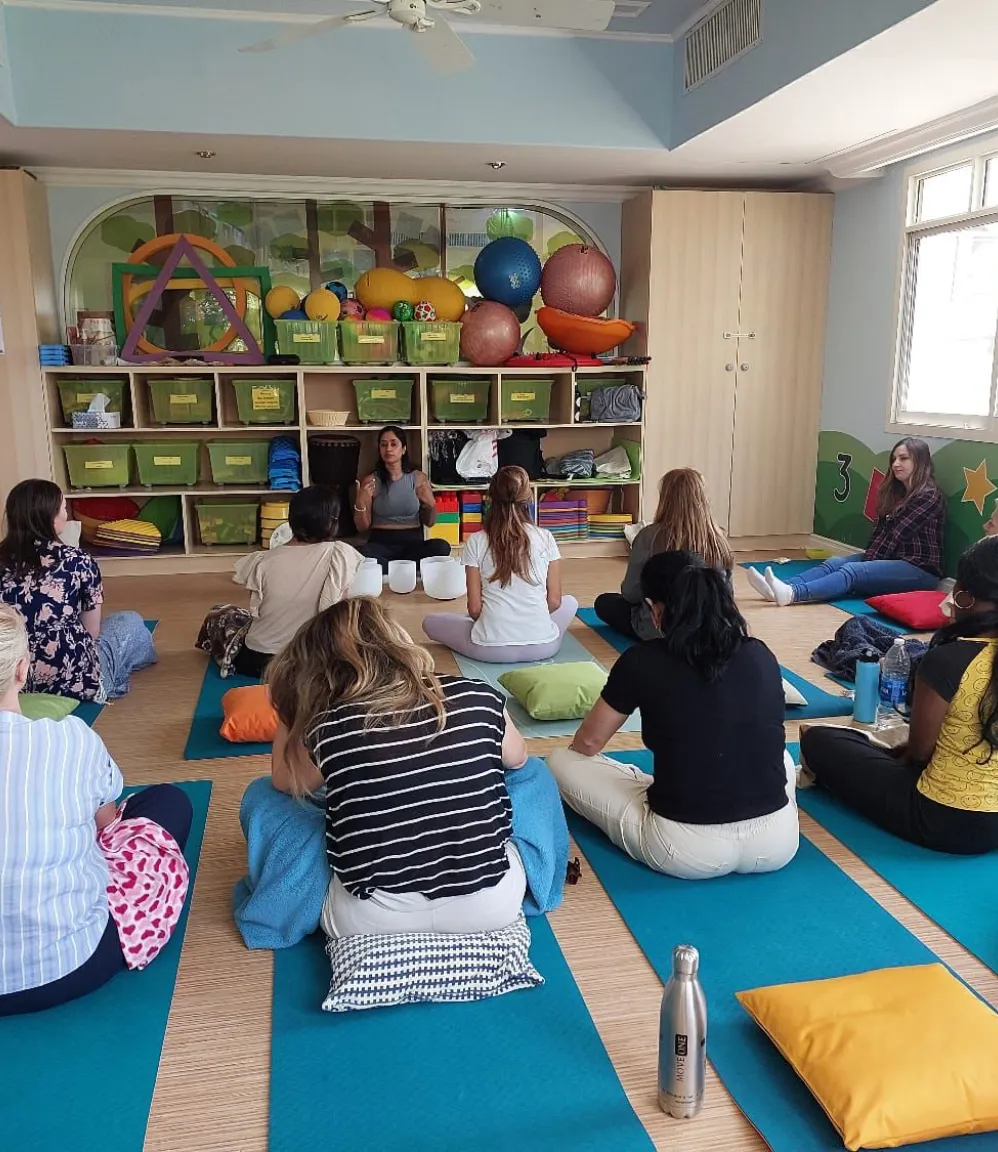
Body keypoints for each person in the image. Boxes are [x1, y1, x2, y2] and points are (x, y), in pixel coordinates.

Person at [266, 598, 531, 937]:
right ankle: (544, 881)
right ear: (399, 640)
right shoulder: (477, 694)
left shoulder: (326, 725)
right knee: (532, 774)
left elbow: (282, 781)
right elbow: (519, 758)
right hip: (491, 905)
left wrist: (291, 708)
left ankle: (282, 902)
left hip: (368, 919)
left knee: (266, 797)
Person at [549, 550, 799, 879]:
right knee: (778, 755)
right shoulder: (759, 653)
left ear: (654, 609)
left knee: (559, 761)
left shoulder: (641, 661)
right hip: (777, 843)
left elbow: (588, 744)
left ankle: (646, 787)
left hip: (684, 850)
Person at [0, 605, 193, 1015]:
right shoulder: (68, 738)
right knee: (168, 803)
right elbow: (106, 825)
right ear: (21, 670)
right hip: (66, 964)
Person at [801, 537, 998, 854]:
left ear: (962, 596)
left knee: (820, 740)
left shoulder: (948, 659)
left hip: (939, 818)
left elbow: (919, 754)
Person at [0, 479, 156, 701]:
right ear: (51, 518)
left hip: (8, 683)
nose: (67, 515)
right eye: (64, 509)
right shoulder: (78, 561)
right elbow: (91, 632)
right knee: (129, 621)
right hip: (75, 682)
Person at [749, 437, 946, 607]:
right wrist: (869, 560)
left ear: (919, 462)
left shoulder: (928, 495)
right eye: (894, 459)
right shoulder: (897, 492)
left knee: (852, 571)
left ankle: (793, 594)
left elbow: (895, 536)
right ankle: (781, 586)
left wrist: (867, 565)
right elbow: (880, 534)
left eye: (903, 459)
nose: (895, 464)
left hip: (919, 570)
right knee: (834, 563)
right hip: (891, 559)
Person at [421, 466, 578, 662]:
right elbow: (555, 602)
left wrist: (498, 625)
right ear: (529, 498)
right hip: (544, 645)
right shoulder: (546, 537)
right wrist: (527, 621)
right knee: (571, 602)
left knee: (430, 622)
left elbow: (475, 610)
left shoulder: (476, 541)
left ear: (490, 498)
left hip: (490, 649)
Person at [230, 485, 363, 678]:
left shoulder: (262, 560)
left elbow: (259, 610)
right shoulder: (340, 554)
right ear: (331, 523)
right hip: (311, 661)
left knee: (223, 614)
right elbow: (339, 615)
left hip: (258, 661)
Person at [594, 468, 733, 640]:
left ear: (665, 499)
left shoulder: (649, 536)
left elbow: (631, 593)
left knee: (604, 602)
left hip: (658, 628)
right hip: (708, 629)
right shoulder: (718, 539)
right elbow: (726, 596)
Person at [354, 425, 451, 571]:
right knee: (360, 553)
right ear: (379, 450)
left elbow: (430, 523)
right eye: (383, 444)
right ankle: (405, 569)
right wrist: (360, 502)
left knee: (442, 547)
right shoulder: (370, 481)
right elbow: (362, 528)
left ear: (403, 449)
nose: (388, 449)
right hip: (381, 545)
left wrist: (431, 505)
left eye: (394, 444)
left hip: (412, 545)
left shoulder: (418, 478)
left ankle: (392, 569)